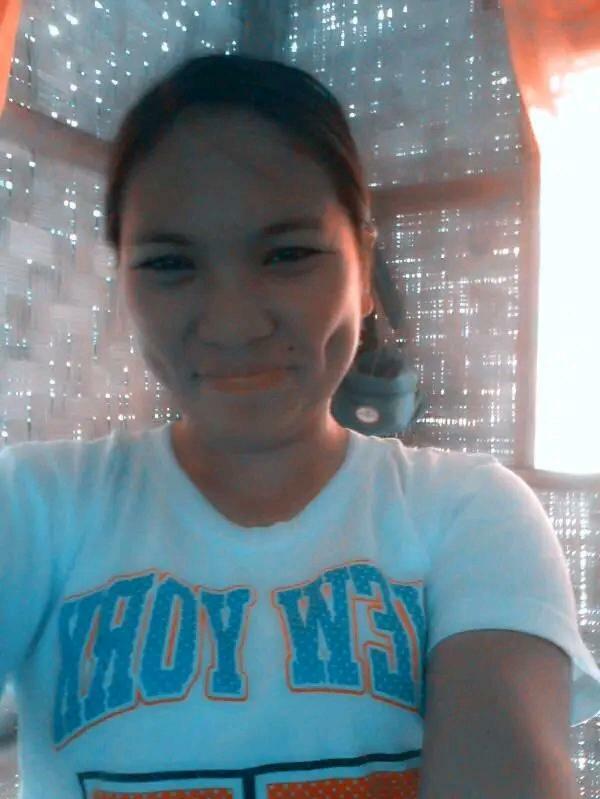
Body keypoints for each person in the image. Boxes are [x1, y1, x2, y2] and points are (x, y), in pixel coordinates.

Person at [0, 53, 599, 799]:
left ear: (363, 266)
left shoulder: (471, 515)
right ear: (122, 277)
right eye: (170, 264)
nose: (233, 323)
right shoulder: (33, 506)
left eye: (288, 255)